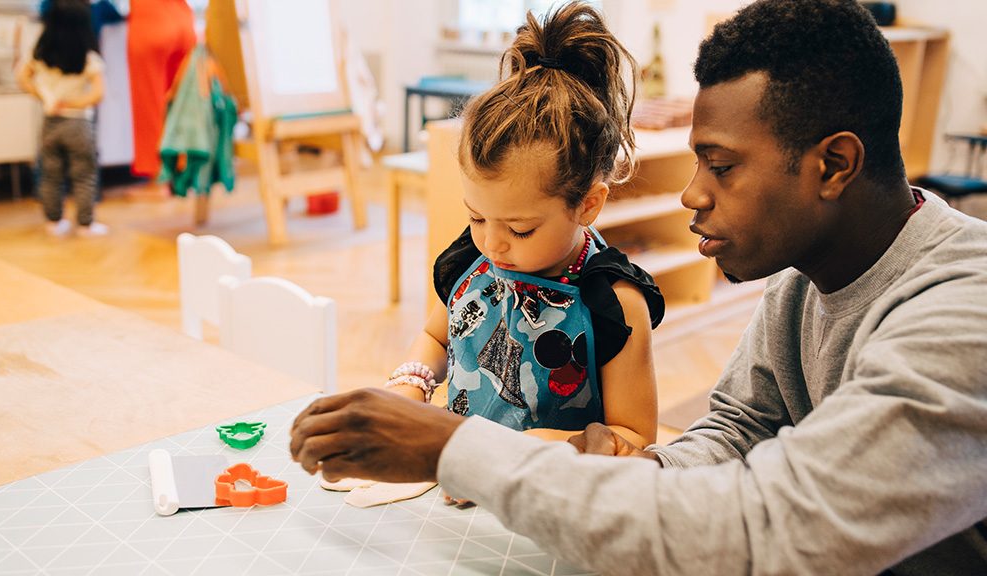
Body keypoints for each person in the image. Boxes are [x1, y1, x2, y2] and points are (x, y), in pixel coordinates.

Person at [289, 0, 987, 574]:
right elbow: (735, 433)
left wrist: (455, 449)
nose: (691, 194)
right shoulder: (802, 287)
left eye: (721, 167)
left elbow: (774, 529)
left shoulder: (965, 314)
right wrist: (620, 466)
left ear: (833, 164)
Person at [382, 2, 664, 453]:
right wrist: (411, 382)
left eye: (521, 229)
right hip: (464, 475)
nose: (492, 243)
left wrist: (544, 447)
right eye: (476, 217)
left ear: (588, 204)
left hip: (551, 490)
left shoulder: (615, 304)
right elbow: (437, 335)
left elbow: (634, 436)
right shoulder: (473, 261)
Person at [17, 0, 108, 237]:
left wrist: (46, 98)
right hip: (79, 124)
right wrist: (72, 103)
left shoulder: (39, 54)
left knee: (50, 175)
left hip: (50, 122)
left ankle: (54, 222)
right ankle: (86, 224)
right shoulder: (89, 58)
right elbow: (98, 94)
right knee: (84, 174)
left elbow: (22, 78)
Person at [126, 0, 195, 198]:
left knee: (149, 106)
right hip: (183, 20)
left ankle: (159, 182)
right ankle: (185, 177)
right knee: (182, 104)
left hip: (150, 20)